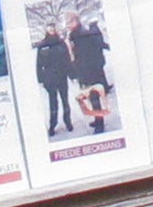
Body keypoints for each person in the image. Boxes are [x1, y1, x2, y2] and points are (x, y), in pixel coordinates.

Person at [67, 7, 113, 136]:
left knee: (94, 98)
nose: (67, 25)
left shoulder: (83, 34)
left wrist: (94, 69)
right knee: (91, 98)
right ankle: (97, 119)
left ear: (75, 21)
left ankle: (100, 123)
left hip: (91, 72)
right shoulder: (74, 35)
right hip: (84, 72)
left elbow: (94, 53)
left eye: (69, 22)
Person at [33, 20, 75, 136]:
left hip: (62, 76)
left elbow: (67, 60)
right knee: (53, 103)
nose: (51, 31)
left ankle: (68, 122)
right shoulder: (42, 46)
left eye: (53, 28)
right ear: (46, 30)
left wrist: (72, 74)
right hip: (50, 78)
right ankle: (53, 125)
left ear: (55, 30)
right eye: (49, 29)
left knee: (65, 101)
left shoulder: (61, 43)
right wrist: (41, 79)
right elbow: (38, 65)